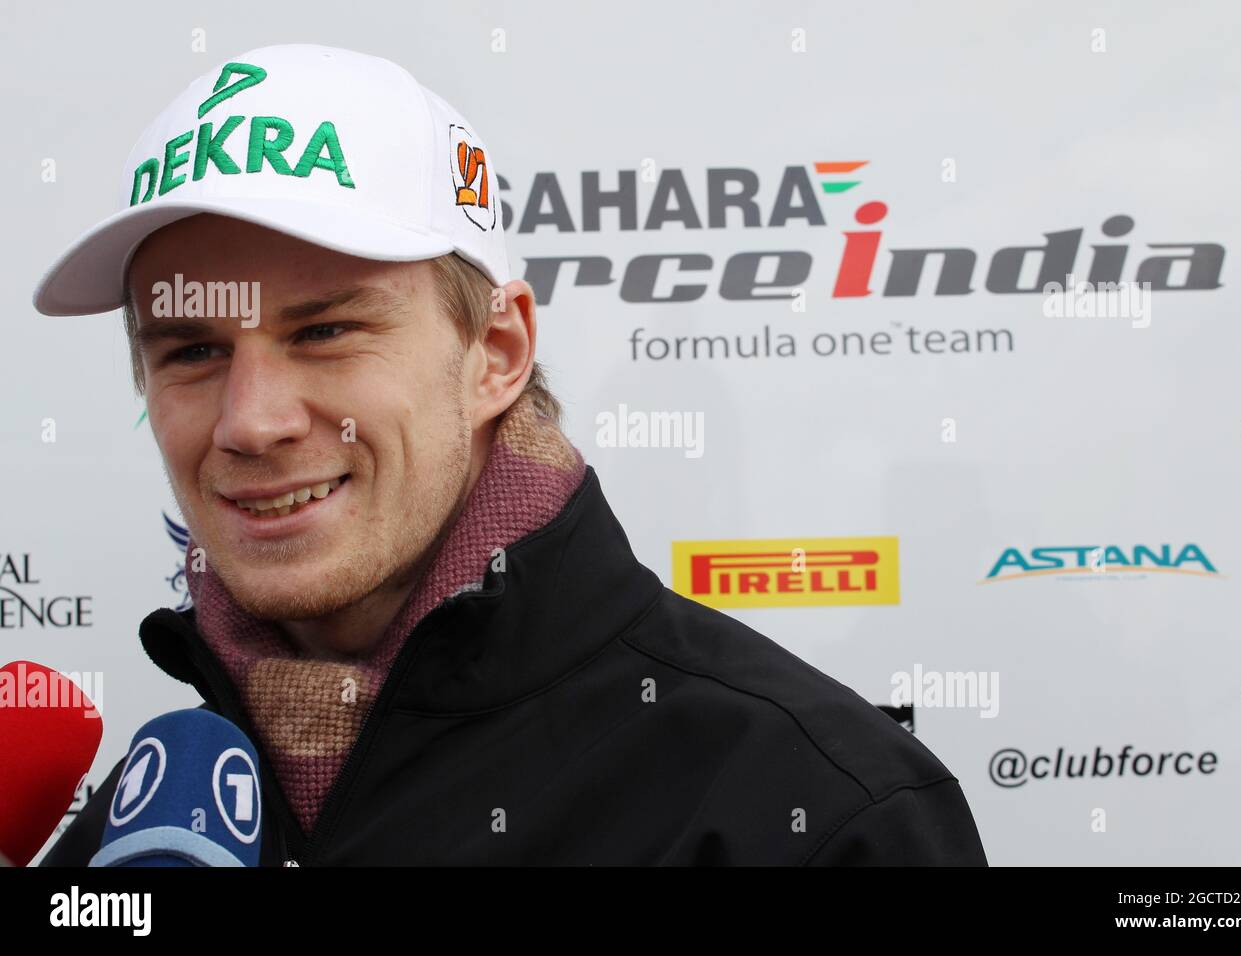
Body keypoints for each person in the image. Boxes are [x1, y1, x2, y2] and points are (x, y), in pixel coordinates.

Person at [33, 43, 987, 866]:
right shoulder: (142, 826)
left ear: (495, 355)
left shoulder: (818, 813)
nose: (251, 421)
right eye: (193, 350)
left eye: (325, 332)